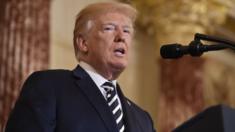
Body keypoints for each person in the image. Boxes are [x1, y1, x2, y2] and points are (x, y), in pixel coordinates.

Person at [5, 2, 156, 132]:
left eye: (127, 31)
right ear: (83, 43)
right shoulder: (49, 87)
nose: (121, 37)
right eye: (109, 28)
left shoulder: (143, 119)